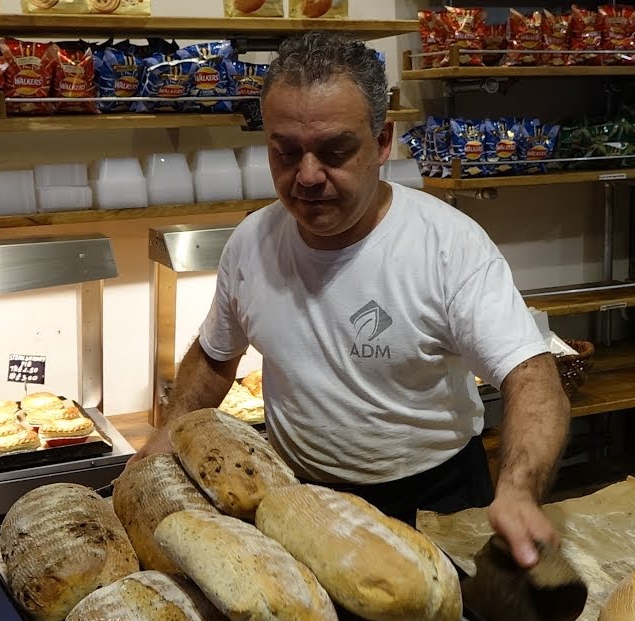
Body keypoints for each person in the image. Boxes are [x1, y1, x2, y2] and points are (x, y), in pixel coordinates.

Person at [136, 31, 571, 568]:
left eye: (336, 151)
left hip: (436, 501)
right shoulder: (252, 243)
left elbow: (533, 379)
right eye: (286, 153)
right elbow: (215, 356)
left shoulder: (447, 245)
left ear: (383, 141)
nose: (308, 176)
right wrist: (166, 434)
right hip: (299, 501)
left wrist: (520, 489)